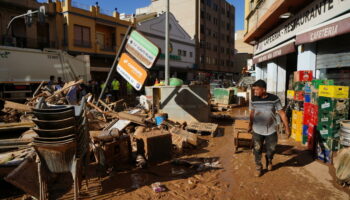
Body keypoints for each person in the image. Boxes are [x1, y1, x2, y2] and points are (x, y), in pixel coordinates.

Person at [248, 80, 290, 177]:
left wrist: (287, 128)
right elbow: (252, 113)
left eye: (257, 90)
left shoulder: (274, 99)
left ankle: (269, 159)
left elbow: (282, 114)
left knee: (272, 149)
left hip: (271, 130)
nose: (255, 92)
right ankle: (258, 167)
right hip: (257, 130)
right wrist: (250, 125)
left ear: (264, 89)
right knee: (257, 149)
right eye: (254, 90)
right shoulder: (254, 99)